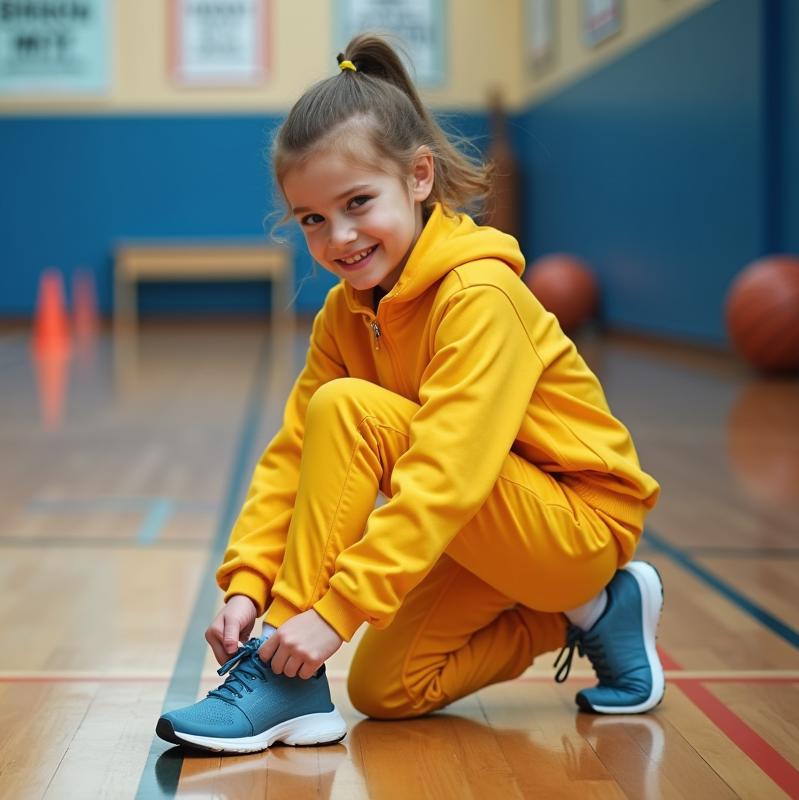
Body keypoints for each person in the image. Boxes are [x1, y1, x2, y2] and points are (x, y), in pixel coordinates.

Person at [155, 33, 663, 755]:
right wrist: (247, 586)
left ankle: (284, 679)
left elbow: (448, 474)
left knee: (351, 408)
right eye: (313, 220)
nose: (340, 236)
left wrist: (320, 616)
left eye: (359, 202)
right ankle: (590, 613)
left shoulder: (480, 293)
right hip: (485, 530)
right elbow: (293, 459)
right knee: (384, 691)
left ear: (419, 177)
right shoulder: (345, 312)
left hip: (574, 526)